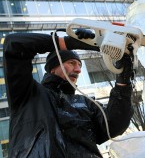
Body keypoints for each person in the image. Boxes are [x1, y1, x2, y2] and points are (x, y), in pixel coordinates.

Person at [3, 29, 134, 157]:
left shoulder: (86, 103)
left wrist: (123, 83)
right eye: (72, 63)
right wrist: (68, 42)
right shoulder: (28, 94)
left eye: (79, 65)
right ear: (53, 68)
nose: (78, 70)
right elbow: (14, 44)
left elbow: (115, 124)